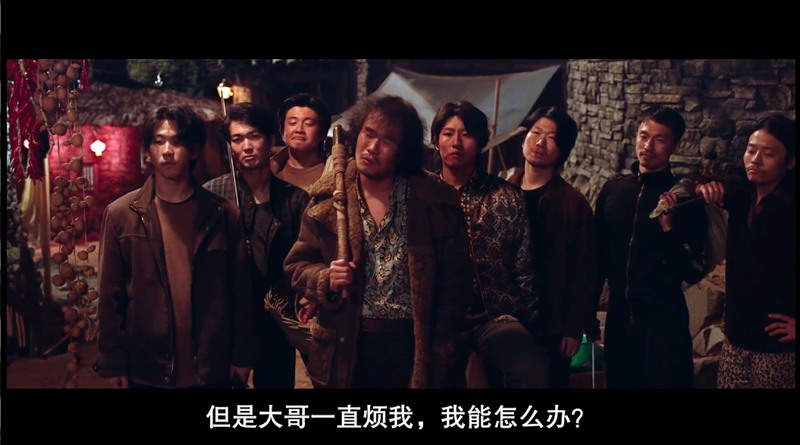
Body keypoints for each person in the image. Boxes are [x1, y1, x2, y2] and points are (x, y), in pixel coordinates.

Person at [284, 94, 473, 388]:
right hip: (348, 346)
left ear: (403, 150)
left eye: (387, 141)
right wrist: (325, 277)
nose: (372, 147)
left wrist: (443, 346)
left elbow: (456, 283)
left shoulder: (434, 202)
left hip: (413, 347)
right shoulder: (328, 201)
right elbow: (296, 266)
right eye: (368, 134)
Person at [96, 105, 256, 389]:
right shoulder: (121, 215)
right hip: (147, 366)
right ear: (148, 152)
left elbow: (241, 291)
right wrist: (112, 362)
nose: (167, 151)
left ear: (194, 151)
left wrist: (242, 354)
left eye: (177, 141)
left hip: (211, 365)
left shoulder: (223, 214)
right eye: (159, 141)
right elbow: (110, 296)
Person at [431, 100, 547, 388]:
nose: (456, 142)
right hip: (436, 318)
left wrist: (531, 322)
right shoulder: (422, 195)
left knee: (531, 369)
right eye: (448, 133)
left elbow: (524, 264)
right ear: (435, 140)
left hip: (494, 314)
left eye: (466, 134)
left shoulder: (504, 196)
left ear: (481, 142)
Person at [594, 104, 707, 389]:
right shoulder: (614, 190)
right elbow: (596, 258)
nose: (648, 145)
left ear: (676, 145)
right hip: (619, 319)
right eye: (644, 136)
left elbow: (693, 270)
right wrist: (585, 314)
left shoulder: (686, 199)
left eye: (660, 139)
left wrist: (669, 230)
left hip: (664, 323)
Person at [203, 102, 309, 389]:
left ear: (271, 140)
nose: (247, 146)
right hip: (228, 319)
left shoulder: (296, 199)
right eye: (238, 139)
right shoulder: (212, 195)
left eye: (254, 136)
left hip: (275, 317)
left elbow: (305, 261)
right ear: (230, 146)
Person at [695, 115, 795, 388]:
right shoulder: (742, 196)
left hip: (778, 348)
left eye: (769, 154)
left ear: (790, 162)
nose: (755, 160)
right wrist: (702, 185)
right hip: (736, 338)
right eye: (751, 150)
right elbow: (695, 184)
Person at [509, 106, 599, 388]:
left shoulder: (573, 203)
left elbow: (585, 268)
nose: (540, 142)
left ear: (563, 150)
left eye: (552, 138)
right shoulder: (502, 191)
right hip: (505, 319)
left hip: (552, 320)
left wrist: (574, 328)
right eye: (536, 132)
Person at [272, 93, 333, 190]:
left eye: (309, 123)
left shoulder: (335, 174)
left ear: (322, 134)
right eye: (292, 123)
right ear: (282, 132)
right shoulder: (267, 173)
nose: (299, 129)